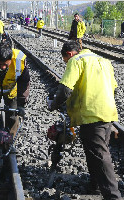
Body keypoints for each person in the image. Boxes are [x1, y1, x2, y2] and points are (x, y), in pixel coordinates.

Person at [47, 41, 122, 200]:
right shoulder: (103, 61)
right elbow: (114, 88)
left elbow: (66, 88)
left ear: (69, 54)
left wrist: (54, 104)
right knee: (94, 152)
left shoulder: (76, 61)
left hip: (91, 114)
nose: (66, 64)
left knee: (100, 155)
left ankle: (113, 196)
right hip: (108, 112)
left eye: (65, 60)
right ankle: (94, 186)